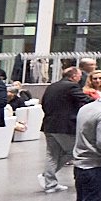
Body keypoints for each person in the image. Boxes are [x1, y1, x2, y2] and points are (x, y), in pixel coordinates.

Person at [38, 63, 86, 194]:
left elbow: (43, 103)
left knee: (51, 154)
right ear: (74, 76)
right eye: (80, 76)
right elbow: (84, 100)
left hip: (49, 125)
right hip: (64, 127)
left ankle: (50, 183)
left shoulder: (52, 86)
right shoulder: (72, 86)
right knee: (73, 151)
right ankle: (47, 176)